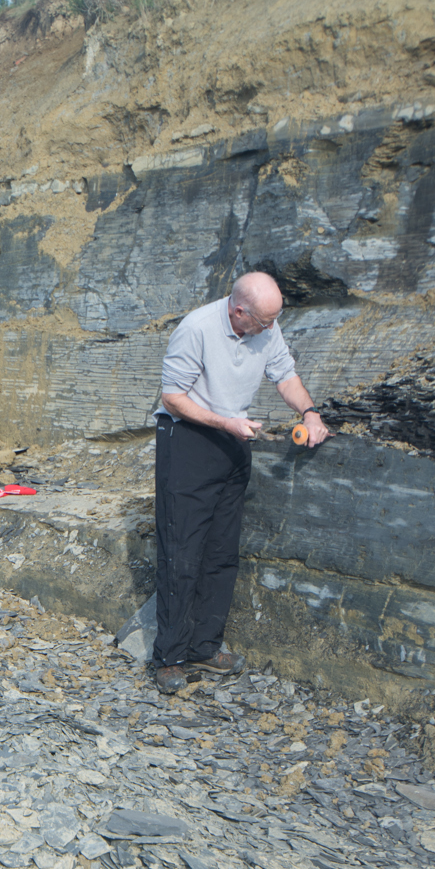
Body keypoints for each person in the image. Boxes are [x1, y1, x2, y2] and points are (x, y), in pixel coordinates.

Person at [150, 271, 330, 694]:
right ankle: (169, 657)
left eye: (274, 321)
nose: (271, 329)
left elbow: (285, 376)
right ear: (239, 310)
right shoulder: (195, 329)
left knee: (221, 549)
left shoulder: (266, 326)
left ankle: (205, 646)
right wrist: (225, 421)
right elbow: (172, 397)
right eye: (264, 321)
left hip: (233, 438)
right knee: (182, 551)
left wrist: (310, 413)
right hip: (189, 437)